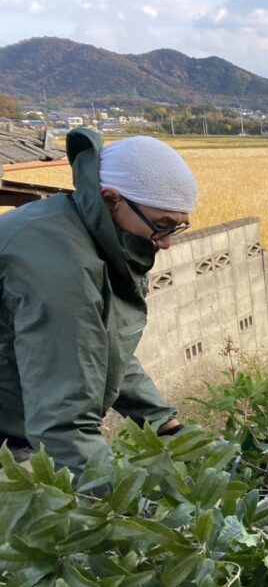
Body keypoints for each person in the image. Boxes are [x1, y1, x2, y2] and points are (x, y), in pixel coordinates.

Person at [0, 127, 197, 474]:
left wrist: (163, 423)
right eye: (162, 225)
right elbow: (63, 426)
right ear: (111, 200)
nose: (166, 243)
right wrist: (130, 509)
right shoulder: (59, 266)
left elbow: (101, 348)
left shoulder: (91, 235)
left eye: (176, 228)